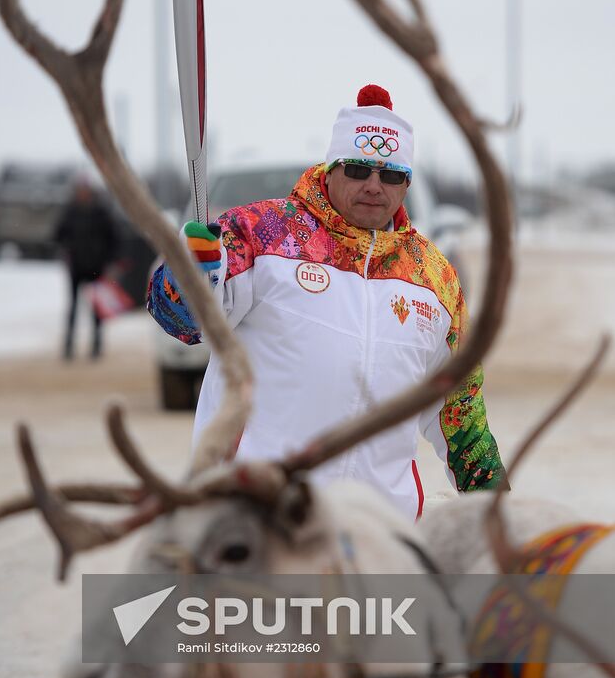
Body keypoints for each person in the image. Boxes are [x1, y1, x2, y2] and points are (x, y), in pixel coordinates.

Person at [147, 85, 506, 519]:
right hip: (257, 523)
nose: (375, 186)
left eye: (391, 175)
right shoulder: (262, 234)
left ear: (406, 183)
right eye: (358, 169)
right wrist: (190, 273)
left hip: (376, 538)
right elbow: (179, 319)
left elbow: (462, 418)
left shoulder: (434, 278)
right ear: (330, 169)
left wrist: (503, 516)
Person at [55, 178, 118, 360]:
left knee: (96, 309)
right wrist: (67, 247)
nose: (82, 194)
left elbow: (113, 237)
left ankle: (96, 347)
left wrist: (110, 260)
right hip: (76, 267)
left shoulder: (100, 212)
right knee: (73, 308)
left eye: (85, 191)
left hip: (96, 268)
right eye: (79, 191)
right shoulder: (71, 211)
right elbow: (58, 234)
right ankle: (68, 347)